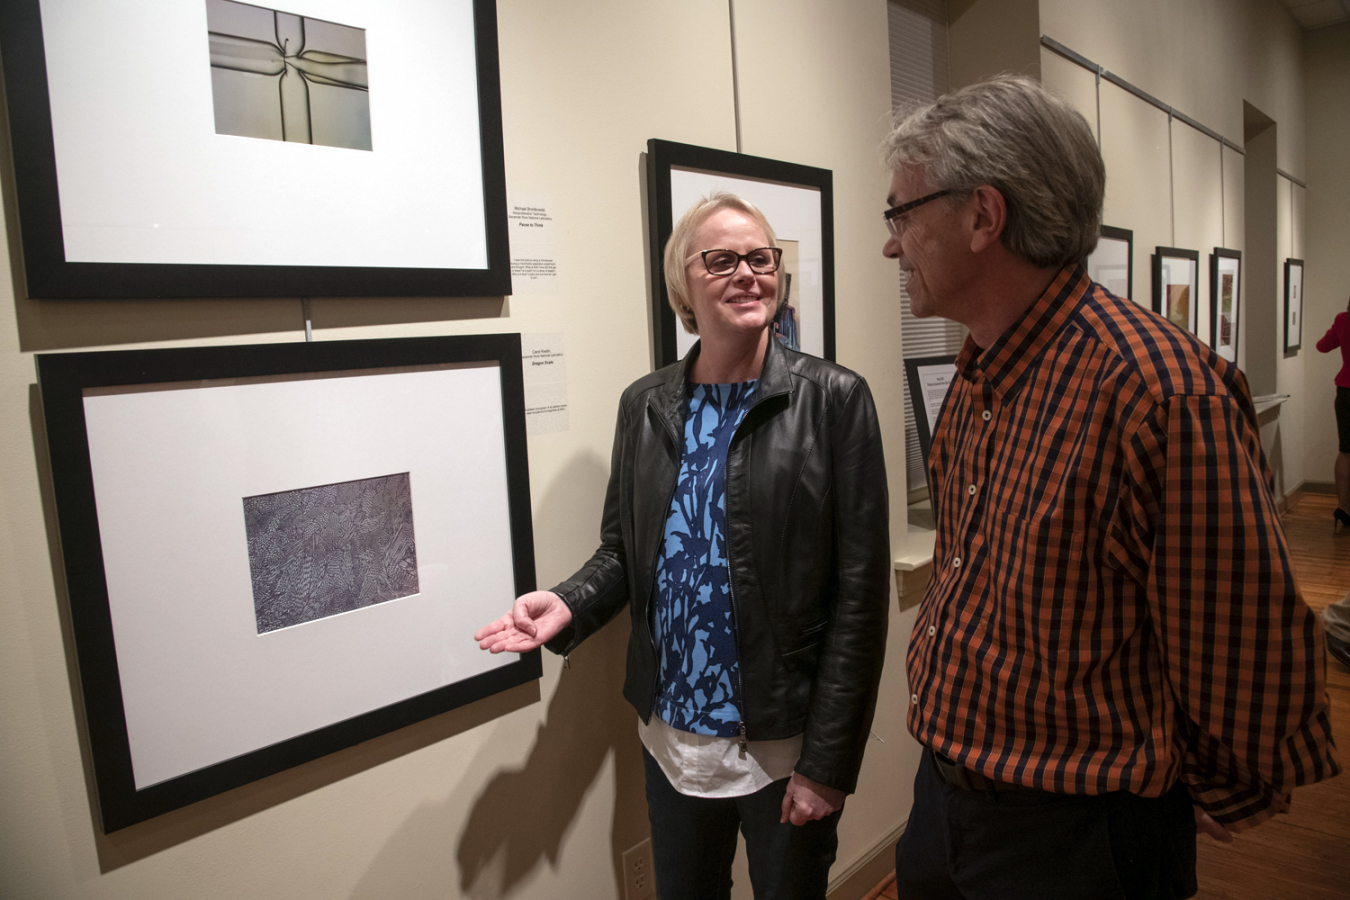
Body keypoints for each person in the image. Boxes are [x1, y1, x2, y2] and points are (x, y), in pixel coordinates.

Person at [880, 76, 1339, 900]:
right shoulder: (981, 375)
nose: (891, 244)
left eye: (903, 214)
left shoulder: (1157, 391)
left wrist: (1209, 784)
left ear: (985, 216)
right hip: (945, 802)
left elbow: (1245, 634)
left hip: (1075, 839)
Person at [475, 192, 891, 899]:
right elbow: (625, 550)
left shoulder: (833, 400)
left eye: (761, 259)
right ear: (683, 288)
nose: (748, 274)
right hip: (672, 744)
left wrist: (828, 764)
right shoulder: (646, 404)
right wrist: (568, 603)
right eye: (722, 260)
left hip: (782, 750)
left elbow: (860, 599)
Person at [1315, 297, 1350, 528]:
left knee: (1346, 451)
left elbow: (1322, 346)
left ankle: (1344, 508)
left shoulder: (1343, 319)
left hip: (1347, 392)